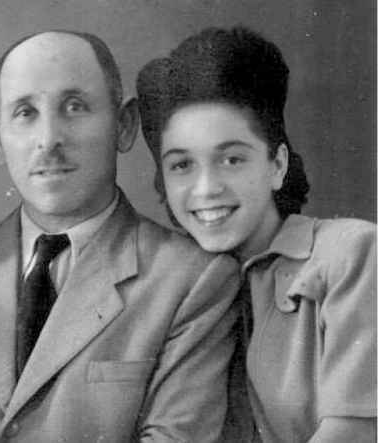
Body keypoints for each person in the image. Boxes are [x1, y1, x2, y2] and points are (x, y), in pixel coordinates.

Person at [0, 30, 240, 442]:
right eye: (25, 112)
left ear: (124, 125)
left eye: (74, 107)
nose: (49, 140)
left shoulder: (193, 280)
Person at [137, 25, 376, 442]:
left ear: (277, 165)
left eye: (232, 159)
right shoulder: (175, 285)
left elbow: (354, 433)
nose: (206, 188)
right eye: (182, 165)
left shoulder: (351, 254)